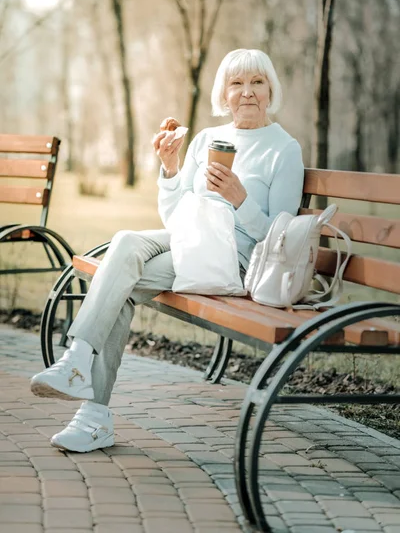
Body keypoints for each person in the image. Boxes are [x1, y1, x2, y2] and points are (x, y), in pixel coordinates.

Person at [30, 48, 304, 453]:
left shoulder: (283, 149)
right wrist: (172, 169)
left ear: (270, 90)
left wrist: (240, 198)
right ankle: (77, 361)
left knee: (117, 282)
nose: (247, 93)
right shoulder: (208, 139)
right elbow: (178, 217)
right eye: (236, 83)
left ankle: (91, 412)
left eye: (257, 83)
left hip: (237, 260)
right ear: (223, 94)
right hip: (192, 240)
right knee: (124, 242)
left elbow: (279, 242)